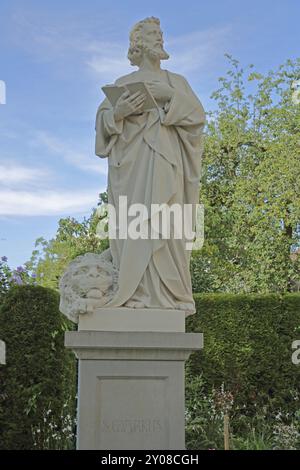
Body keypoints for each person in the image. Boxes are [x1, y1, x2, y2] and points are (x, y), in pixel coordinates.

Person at [95, 17, 205, 315]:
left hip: (167, 165)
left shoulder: (177, 82)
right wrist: (118, 113)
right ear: (139, 44)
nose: (160, 40)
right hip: (130, 171)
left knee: (166, 226)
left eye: (160, 34)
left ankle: (168, 296)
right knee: (134, 226)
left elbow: (197, 117)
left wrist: (168, 97)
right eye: (154, 35)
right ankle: (134, 292)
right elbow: (102, 130)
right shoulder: (121, 85)